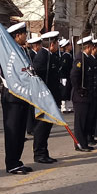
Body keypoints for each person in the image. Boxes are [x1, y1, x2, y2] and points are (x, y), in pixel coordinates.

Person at [0, 22, 33, 174]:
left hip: (23, 96)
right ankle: (11, 163)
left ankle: (17, 161)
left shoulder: (22, 51)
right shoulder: (8, 52)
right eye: (24, 34)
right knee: (13, 131)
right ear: (17, 36)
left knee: (20, 131)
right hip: (12, 97)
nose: (26, 36)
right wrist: (15, 87)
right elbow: (3, 73)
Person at [29, 31, 61, 163]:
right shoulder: (42, 56)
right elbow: (36, 77)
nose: (58, 45)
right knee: (42, 127)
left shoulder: (50, 55)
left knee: (47, 127)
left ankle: (44, 152)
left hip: (50, 97)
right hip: (43, 98)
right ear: (52, 44)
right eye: (57, 42)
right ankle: (39, 154)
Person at [59, 39, 74, 113]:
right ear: (66, 47)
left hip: (68, 76)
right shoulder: (65, 56)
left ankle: (67, 106)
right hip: (65, 76)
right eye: (69, 45)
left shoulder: (69, 55)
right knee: (64, 92)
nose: (71, 46)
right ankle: (63, 107)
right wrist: (63, 77)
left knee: (68, 91)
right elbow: (63, 67)